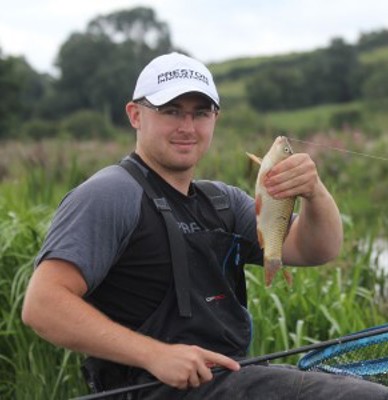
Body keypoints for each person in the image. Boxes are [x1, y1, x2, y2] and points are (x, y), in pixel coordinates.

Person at [22, 52, 388, 400]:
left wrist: (314, 192)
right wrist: (155, 355)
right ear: (135, 115)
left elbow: (315, 249)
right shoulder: (111, 193)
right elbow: (42, 305)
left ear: (215, 119)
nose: (187, 126)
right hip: (154, 390)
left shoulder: (221, 201)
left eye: (200, 113)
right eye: (170, 111)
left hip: (231, 379)